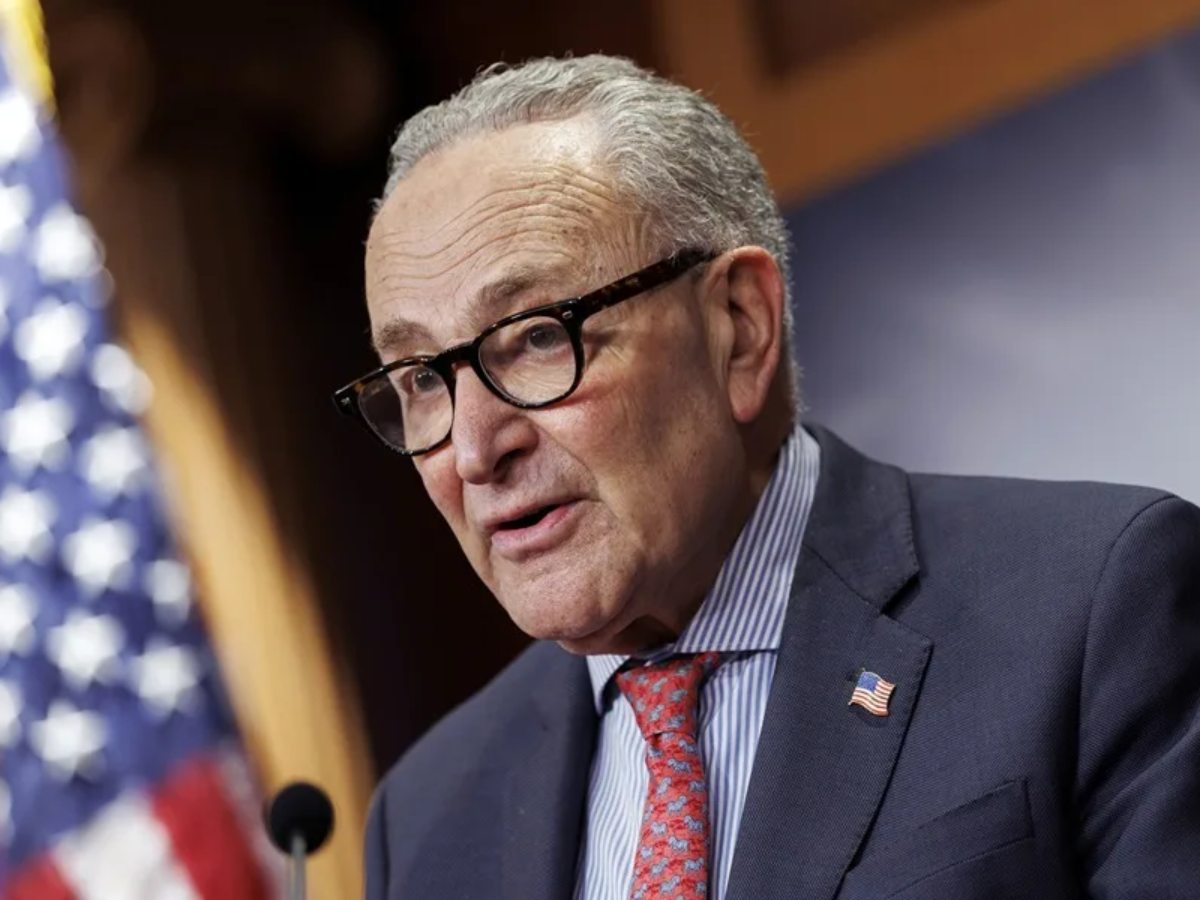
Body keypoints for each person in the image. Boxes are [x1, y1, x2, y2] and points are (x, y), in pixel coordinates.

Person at [341, 55, 1200, 900]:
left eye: (535, 338)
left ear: (739, 327)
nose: (475, 450)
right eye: (421, 379)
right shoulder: (424, 824)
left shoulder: (1092, 614)